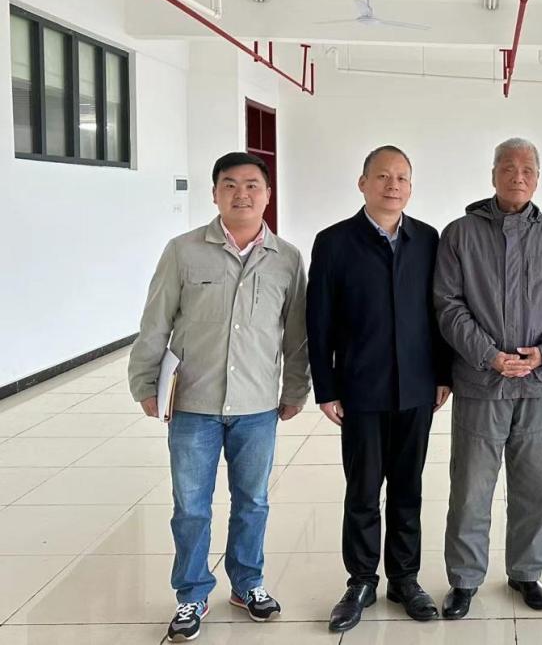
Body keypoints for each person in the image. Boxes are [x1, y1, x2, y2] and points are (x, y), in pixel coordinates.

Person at [128, 152, 310, 643]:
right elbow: (155, 322)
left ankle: (248, 584)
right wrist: (145, 383)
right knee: (191, 506)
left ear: (268, 194)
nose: (241, 194)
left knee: (253, 502)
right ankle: (191, 592)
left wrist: (296, 389)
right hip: (194, 404)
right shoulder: (183, 251)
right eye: (230, 185)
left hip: (257, 406)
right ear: (214, 194)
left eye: (252, 185)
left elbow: (297, 335)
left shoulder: (288, 259)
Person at [433, 137, 542, 618]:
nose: (517, 176)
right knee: (471, 489)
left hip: (539, 387)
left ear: (538, 178)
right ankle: (465, 579)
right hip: (481, 384)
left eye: (527, 169)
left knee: (535, 487)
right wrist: (489, 355)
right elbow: (447, 304)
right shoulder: (460, 234)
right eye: (508, 167)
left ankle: (526, 571)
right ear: (493, 173)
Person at [306, 145, 453, 633]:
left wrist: (444, 374)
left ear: (411, 187)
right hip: (360, 390)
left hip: (417, 387)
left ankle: (405, 579)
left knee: (408, 489)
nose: (393, 185)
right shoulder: (334, 242)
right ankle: (362, 580)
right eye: (383, 176)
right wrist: (325, 387)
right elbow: (318, 321)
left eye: (402, 178)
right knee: (363, 490)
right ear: (363, 182)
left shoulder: (427, 239)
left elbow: (440, 313)